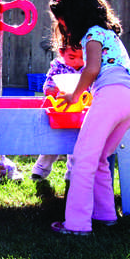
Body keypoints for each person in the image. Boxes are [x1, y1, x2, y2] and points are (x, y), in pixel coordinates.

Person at [47, 0, 130, 236]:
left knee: (82, 158)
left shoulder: (92, 35)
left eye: (62, 22)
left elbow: (91, 70)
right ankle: (106, 215)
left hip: (111, 96)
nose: (63, 28)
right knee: (101, 158)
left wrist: (73, 95)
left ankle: (77, 224)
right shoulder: (110, 34)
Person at [31, 45, 85, 182]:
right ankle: (40, 170)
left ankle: (72, 175)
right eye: (72, 57)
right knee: (53, 142)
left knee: (76, 144)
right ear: (61, 53)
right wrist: (53, 90)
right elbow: (48, 86)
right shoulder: (58, 67)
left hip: (80, 112)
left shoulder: (88, 68)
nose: (77, 62)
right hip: (59, 111)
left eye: (82, 57)